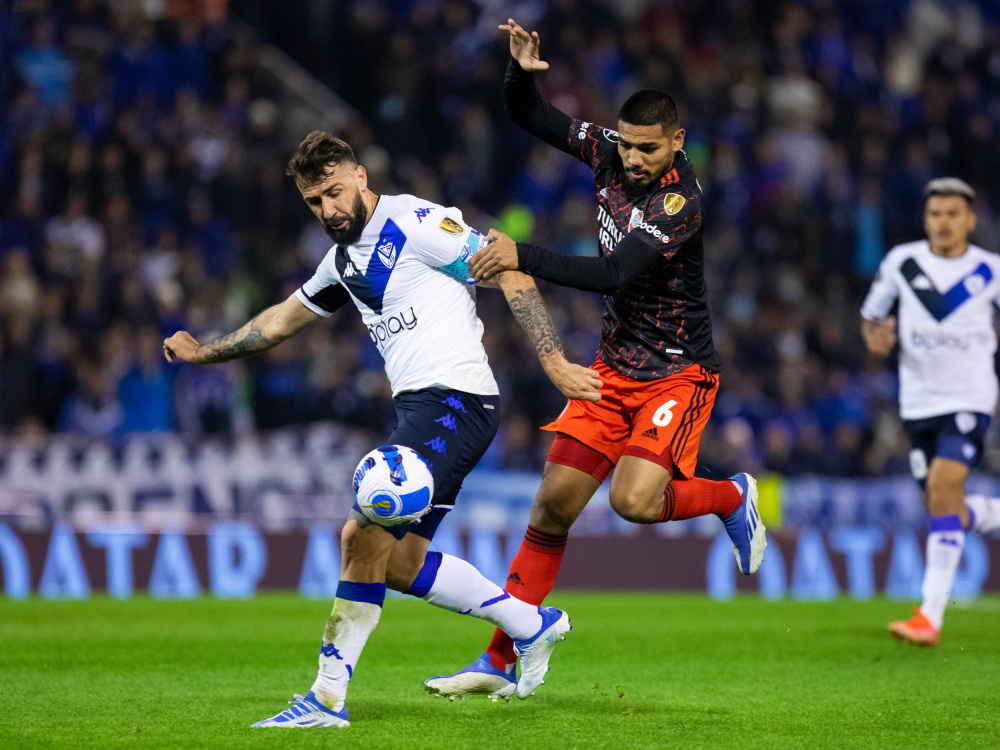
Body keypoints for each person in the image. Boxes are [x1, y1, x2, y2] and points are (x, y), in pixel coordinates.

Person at [163, 131, 602, 726]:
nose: (329, 210)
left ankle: (326, 698)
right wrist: (204, 352)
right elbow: (279, 323)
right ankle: (531, 623)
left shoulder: (415, 222)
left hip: (455, 400)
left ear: (361, 177)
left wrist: (554, 363)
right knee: (396, 562)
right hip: (426, 408)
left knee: (360, 535)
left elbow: (510, 270)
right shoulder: (342, 262)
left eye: (334, 192)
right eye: (315, 202)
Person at [423, 20, 765, 698]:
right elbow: (530, 115)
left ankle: (731, 496)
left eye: (648, 148)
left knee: (633, 501)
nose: (633, 158)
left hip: (677, 372)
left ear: (677, 141)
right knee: (551, 506)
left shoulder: (680, 203)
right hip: (611, 368)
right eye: (627, 145)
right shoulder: (608, 149)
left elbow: (613, 273)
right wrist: (520, 72)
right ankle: (497, 659)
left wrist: (522, 254)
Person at [861, 177, 1000, 647]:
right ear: (926, 220)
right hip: (918, 404)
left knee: (942, 488)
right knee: (945, 508)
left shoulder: (990, 270)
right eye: (935, 214)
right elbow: (872, 316)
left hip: (970, 400)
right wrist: (875, 337)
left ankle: (929, 617)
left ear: (970, 220)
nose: (943, 222)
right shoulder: (903, 262)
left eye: (952, 214)